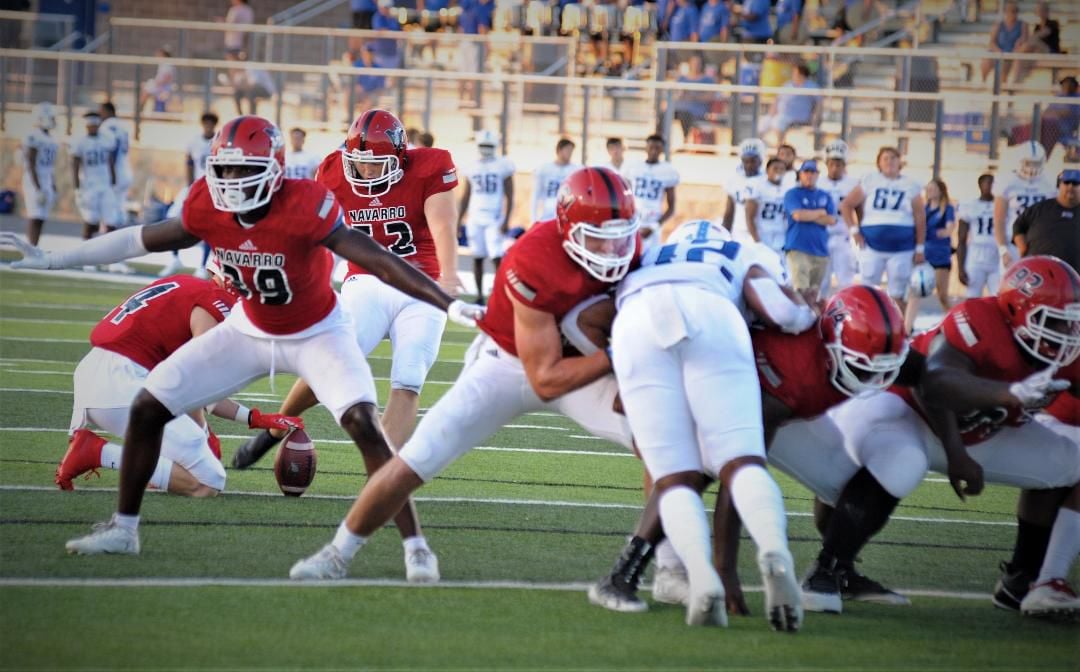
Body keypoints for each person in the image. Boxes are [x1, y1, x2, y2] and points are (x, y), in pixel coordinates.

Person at [3, 115, 484, 563]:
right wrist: (52, 259)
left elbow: (379, 260)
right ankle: (124, 529)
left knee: (362, 421)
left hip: (317, 331)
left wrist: (447, 298)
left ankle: (414, 547)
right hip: (249, 329)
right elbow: (138, 238)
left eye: (243, 170)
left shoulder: (305, 202)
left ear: (273, 171)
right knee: (148, 406)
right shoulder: (208, 204)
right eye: (224, 170)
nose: (231, 182)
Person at [287, 167, 641, 582]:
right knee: (415, 459)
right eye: (598, 234)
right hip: (507, 364)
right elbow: (543, 376)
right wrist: (617, 354)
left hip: (581, 368)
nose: (612, 247)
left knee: (663, 444)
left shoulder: (631, 253)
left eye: (621, 232)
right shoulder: (532, 256)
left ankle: (667, 560)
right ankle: (337, 553)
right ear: (567, 227)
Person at [230, 112, 466, 576]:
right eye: (358, 163)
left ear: (399, 156)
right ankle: (276, 427)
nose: (364, 172)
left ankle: (382, 484)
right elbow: (311, 231)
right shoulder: (333, 169)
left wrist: (450, 273)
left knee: (409, 376)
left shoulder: (430, 165)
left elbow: (443, 224)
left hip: (421, 282)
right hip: (365, 280)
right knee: (328, 361)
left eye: (375, 164)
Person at [590, 285, 913, 617]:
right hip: (730, 390)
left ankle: (834, 570)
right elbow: (738, 474)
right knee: (691, 473)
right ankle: (623, 573)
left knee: (859, 481)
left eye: (882, 369)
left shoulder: (852, 352)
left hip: (786, 405)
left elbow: (919, 367)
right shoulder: (792, 369)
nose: (873, 379)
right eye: (862, 368)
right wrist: (726, 570)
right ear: (832, 342)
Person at [803, 256, 1080, 617]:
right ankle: (827, 571)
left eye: (1070, 322)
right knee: (902, 462)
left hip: (982, 431)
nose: (1064, 332)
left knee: (1071, 462)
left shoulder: (1067, 349)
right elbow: (935, 383)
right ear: (1016, 308)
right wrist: (997, 407)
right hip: (907, 409)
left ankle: (1022, 579)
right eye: (1054, 320)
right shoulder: (980, 318)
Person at [599, 219, 815, 630]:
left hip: (636, 319)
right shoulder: (741, 251)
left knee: (674, 477)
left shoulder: (650, 253)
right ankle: (773, 549)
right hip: (711, 310)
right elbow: (781, 312)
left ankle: (699, 575)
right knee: (741, 461)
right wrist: (807, 311)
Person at [55, 260, 302, 497]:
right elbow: (199, 386)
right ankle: (96, 453)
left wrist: (247, 419)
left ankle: (159, 468)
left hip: (102, 373)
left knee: (192, 457)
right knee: (208, 482)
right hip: (121, 383)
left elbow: (188, 385)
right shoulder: (216, 301)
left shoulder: (184, 283)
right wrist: (216, 428)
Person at [842, 146, 926, 317]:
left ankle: (896, 330)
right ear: (879, 163)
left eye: (893, 158)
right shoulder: (870, 180)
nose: (889, 162)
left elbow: (920, 217)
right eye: (885, 158)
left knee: (897, 292)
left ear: (900, 162)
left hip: (902, 248)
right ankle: (866, 326)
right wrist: (854, 230)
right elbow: (846, 204)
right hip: (871, 245)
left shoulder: (911, 184)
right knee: (867, 290)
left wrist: (920, 247)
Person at [458, 129, 515, 304]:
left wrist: (507, 219)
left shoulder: (503, 165)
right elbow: (466, 196)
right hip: (475, 217)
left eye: (489, 146)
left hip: (494, 216)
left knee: (497, 257)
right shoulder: (472, 165)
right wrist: (459, 220)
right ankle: (480, 296)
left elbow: (510, 195)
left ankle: (500, 295)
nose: (486, 148)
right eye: (483, 145)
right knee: (477, 257)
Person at [161, 112, 220, 278]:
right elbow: (189, 163)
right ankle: (174, 258)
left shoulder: (219, 142)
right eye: (206, 123)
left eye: (211, 123)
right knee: (171, 216)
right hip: (195, 186)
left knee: (209, 227)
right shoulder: (194, 142)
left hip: (213, 188)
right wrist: (189, 185)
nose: (208, 126)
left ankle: (203, 266)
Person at [903, 178, 955, 332]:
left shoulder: (947, 208)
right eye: (928, 188)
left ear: (940, 190)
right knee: (915, 292)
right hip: (924, 255)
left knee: (942, 294)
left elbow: (949, 227)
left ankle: (952, 322)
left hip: (940, 255)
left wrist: (945, 232)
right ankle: (907, 327)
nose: (930, 191)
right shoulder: (924, 208)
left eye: (933, 188)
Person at [994, 140, 1056, 267]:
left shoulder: (1050, 183)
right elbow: (999, 219)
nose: (1032, 168)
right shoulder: (1007, 182)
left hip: (1041, 243)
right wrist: (1003, 249)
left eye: (1036, 163)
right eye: (1028, 163)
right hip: (1014, 244)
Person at [783, 160, 836, 292]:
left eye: (813, 172)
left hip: (820, 249)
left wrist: (808, 215)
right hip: (798, 247)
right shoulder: (793, 194)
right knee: (801, 289)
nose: (809, 175)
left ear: (817, 175)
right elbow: (798, 216)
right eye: (806, 172)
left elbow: (830, 220)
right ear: (800, 175)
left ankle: (812, 313)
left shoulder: (825, 195)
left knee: (814, 292)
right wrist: (819, 212)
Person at [1012, 168, 1080, 270]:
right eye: (1066, 182)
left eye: (1075, 183)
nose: (1070, 186)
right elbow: (1018, 226)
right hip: (1039, 274)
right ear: (1059, 185)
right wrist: (1022, 247)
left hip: (1074, 277)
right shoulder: (1039, 208)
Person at [70, 111, 118, 252]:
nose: (93, 128)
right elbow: (75, 165)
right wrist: (77, 189)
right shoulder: (80, 141)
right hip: (89, 186)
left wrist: (114, 181)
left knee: (111, 221)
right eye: (90, 125)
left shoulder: (106, 139)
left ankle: (111, 256)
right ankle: (85, 253)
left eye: (95, 125)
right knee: (91, 222)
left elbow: (110, 162)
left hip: (105, 184)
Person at [818, 139, 860, 298]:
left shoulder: (853, 183)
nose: (835, 168)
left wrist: (858, 231)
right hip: (822, 237)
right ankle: (818, 318)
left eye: (839, 164)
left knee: (846, 282)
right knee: (821, 283)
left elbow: (859, 210)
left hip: (843, 236)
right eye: (832, 164)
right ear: (826, 164)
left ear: (845, 165)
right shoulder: (818, 182)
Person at [622, 135, 679, 249]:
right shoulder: (633, 167)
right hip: (632, 219)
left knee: (648, 258)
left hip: (652, 221)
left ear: (662, 150)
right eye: (651, 147)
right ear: (646, 148)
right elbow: (623, 197)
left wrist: (654, 227)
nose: (654, 151)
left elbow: (671, 208)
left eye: (657, 148)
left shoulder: (668, 171)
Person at [98, 103, 135, 277]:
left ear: (108, 111)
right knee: (117, 217)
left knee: (110, 218)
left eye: (101, 112)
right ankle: (112, 257)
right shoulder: (123, 126)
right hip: (125, 171)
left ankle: (111, 258)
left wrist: (111, 177)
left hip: (114, 175)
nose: (100, 115)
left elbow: (110, 153)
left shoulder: (106, 127)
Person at [21, 102, 59, 247]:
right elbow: (31, 163)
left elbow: (50, 166)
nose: (54, 120)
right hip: (34, 180)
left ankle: (34, 247)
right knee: (35, 216)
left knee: (42, 217)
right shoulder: (33, 136)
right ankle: (30, 248)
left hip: (46, 179)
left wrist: (53, 184)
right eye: (52, 117)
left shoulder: (51, 138)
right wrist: (37, 187)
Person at [957, 173, 1000, 297]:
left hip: (996, 256)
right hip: (975, 256)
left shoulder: (1001, 206)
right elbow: (961, 239)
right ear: (980, 185)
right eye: (988, 183)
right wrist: (960, 267)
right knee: (972, 297)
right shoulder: (970, 206)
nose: (990, 186)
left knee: (998, 297)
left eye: (993, 183)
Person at [758, 64, 819, 144]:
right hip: (781, 115)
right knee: (763, 122)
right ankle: (761, 145)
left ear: (802, 74)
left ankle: (779, 147)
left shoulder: (811, 86)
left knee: (778, 122)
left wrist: (816, 118)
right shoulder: (788, 84)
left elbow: (819, 102)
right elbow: (777, 99)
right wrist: (771, 113)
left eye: (795, 73)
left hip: (797, 117)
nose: (793, 75)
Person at [722, 138, 767, 243]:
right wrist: (724, 236)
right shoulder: (734, 180)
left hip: (761, 233)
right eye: (746, 161)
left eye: (753, 161)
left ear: (760, 160)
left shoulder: (765, 180)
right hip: (738, 233)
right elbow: (729, 212)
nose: (749, 165)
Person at [744, 157, 788, 254]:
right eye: (775, 168)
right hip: (762, 235)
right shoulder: (758, 186)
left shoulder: (788, 189)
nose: (778, 171)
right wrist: (757, 240)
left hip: (780, 238)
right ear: (767, 170)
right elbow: (749, 217)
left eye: (782, 169)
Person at [531, 138, 580, 223]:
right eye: (567, 150)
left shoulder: (576, 170)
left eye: (571, 151)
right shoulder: (544, 169)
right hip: (546, 214)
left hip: (566, 214)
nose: (570, 153)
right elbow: (536, 194)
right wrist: (534, 218)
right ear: (559, 150)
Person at [672, 55, 716, 143]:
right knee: (664, 114)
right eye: (694, 63)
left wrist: (693, 96)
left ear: (702, 65)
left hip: (697, 112)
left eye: (698, 63)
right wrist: (681, 94)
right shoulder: (682, 78)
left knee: (684, 114)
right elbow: (675, 94)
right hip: (679, 108)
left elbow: (711, 96)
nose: (695, 65)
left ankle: (685, 141)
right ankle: (659, 140)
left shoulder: (708, 80)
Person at [980, 1, 1027, 83]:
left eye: (1014, 11)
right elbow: (991, 42)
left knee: (1005, 65)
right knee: (985, 62)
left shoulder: (1022, 24)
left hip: (1013, 53)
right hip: (999, 51)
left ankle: (1003, 87)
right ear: (1005, 11)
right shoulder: (999, 25)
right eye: (1009, 10)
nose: (1012, 13)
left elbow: (1025, 39)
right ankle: (983, 82)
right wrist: (999, 51)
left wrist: (1020, 43)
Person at [138, 48, 177, 113]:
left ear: (163, 55)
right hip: (159, 86)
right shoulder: (163, 64)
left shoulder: (168, 64)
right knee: (145, 87)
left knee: (146, 90)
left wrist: (157, 83)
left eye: (159, 54)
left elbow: (166, 78)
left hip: (164, 87)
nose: (157, 56)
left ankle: (139, 110)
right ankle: (140, 109)